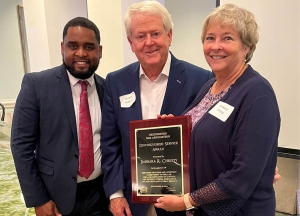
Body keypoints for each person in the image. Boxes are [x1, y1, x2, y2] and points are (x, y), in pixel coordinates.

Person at [154, 4, 281, 215]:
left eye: (227, 38)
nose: (216, 46)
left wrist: (186, 201)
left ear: (246, 46)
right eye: (210, 38)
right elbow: (207, 139)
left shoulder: (258, 94)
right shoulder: (210, 85)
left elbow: (242, 175)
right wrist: (175, 130)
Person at [100, 1, 212, 216]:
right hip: (133, 204)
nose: (149, 43)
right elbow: (110, 143)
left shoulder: (201, 80)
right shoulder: (116, 82)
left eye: (156, 34)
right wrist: (115, 195)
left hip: (181, 203)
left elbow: (209, 139)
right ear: (131, 42)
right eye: (140, 36)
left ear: (169, 36)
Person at [11, 17, 111, 216]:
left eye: (89, 47)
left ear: (99, 50)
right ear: (62, 47)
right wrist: (38, 199)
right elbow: (21, 146)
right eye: (73, 46)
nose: (81, 53)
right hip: (54, 198)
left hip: (100, 197)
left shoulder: (108, 88)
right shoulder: (36, 85)